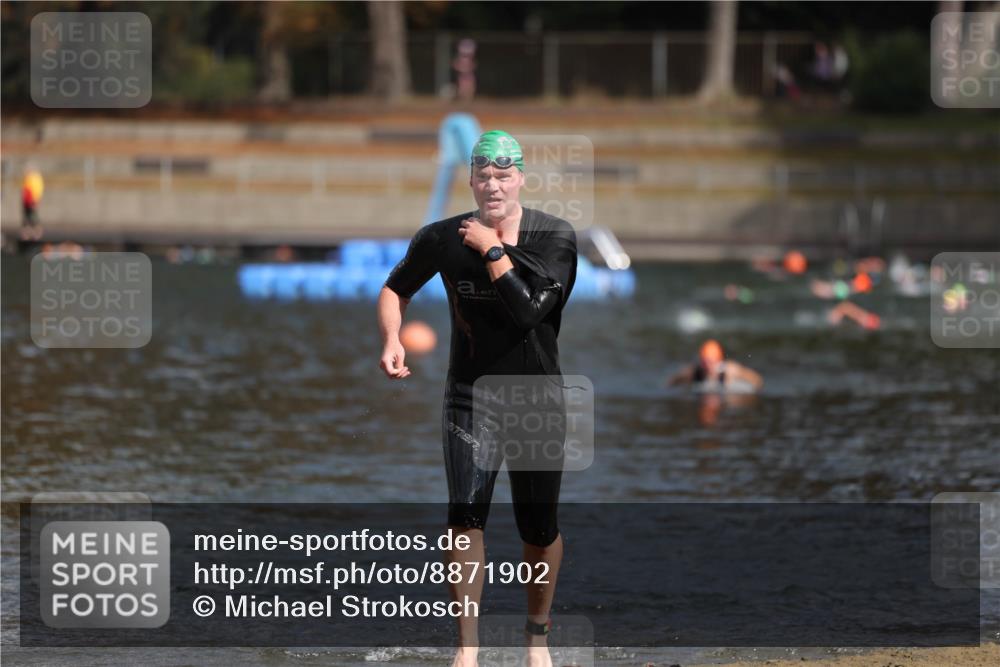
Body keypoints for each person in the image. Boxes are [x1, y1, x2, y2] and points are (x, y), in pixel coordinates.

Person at [377, 130, 577, 667]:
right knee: (465, 514)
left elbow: (529, 312)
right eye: (483, 175)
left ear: (521, 180)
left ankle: (536, 639)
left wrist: (490, 248)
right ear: (470, 180)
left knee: (538, 529)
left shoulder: (553, 237)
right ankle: (467, 652)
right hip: (470, 396)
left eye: (504, 175)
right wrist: (393, 337)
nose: (493, 184)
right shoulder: (440, 238)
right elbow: (395, 288)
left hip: (537, 400)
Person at [668, 339, 763, 392]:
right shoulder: (693, 371)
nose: (708, 366)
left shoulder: (731, 370)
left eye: (712, 362)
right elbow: (671, 383)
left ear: (719, 360)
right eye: (705, 362)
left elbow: (757, 381)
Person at [21, 166, 44, 241]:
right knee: (26, 217)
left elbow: (37, 190)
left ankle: (37, 233)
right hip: (26, 200)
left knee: (33, 217)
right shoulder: (27, 179)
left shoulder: (35, 179)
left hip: (32, 200)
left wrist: (36, 201)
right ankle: (27, 233)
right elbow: (24, 190)